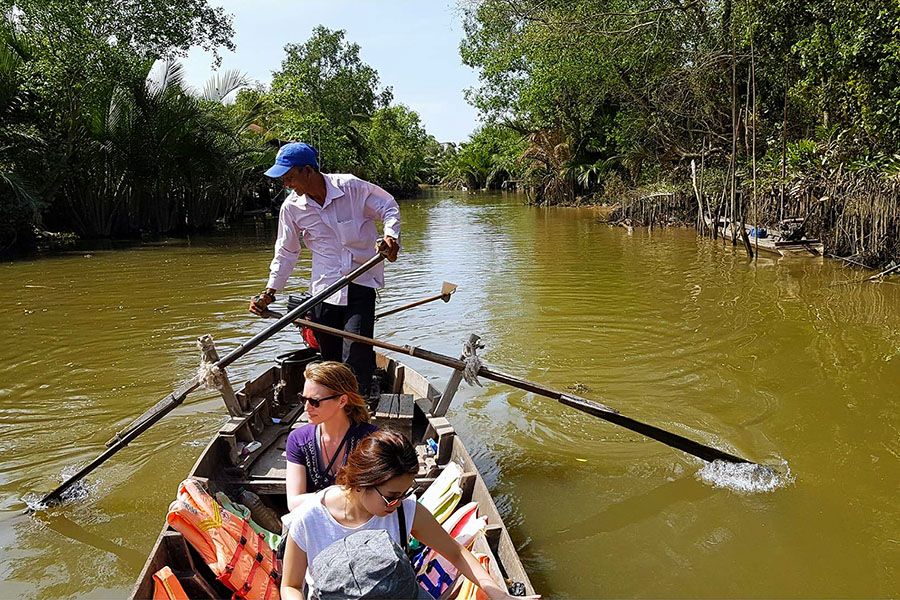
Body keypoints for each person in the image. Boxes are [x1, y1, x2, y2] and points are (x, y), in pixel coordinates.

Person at [280, 430, 540, 600]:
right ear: (360, 482)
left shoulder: (405, 510)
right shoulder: (310, 518)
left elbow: (456, 552)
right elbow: (291, 585)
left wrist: (498, 594)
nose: (398, 502)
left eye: (404, 493)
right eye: (391, 495)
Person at [249, 142, 400, 397]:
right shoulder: (292, 208)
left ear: (308, 171)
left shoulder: (350, 187)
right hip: (324, 289)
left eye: (290, 177)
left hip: (360, 281)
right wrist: (269, 292)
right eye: (284, 179)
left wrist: (390, 236)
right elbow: (287, 251)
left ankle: (356, 410)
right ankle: (335, 410)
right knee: (330, 362)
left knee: (356, 355)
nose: (287, 184)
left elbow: (388, 206)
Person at [285, 361, 378, 511]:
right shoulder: (298, 439)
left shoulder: (372, 439)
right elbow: (294, 503)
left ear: (342, 401)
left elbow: (376, 498)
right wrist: (346, 495)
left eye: (314, 401)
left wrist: (319, 498)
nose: (306, 407)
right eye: (303, 399)